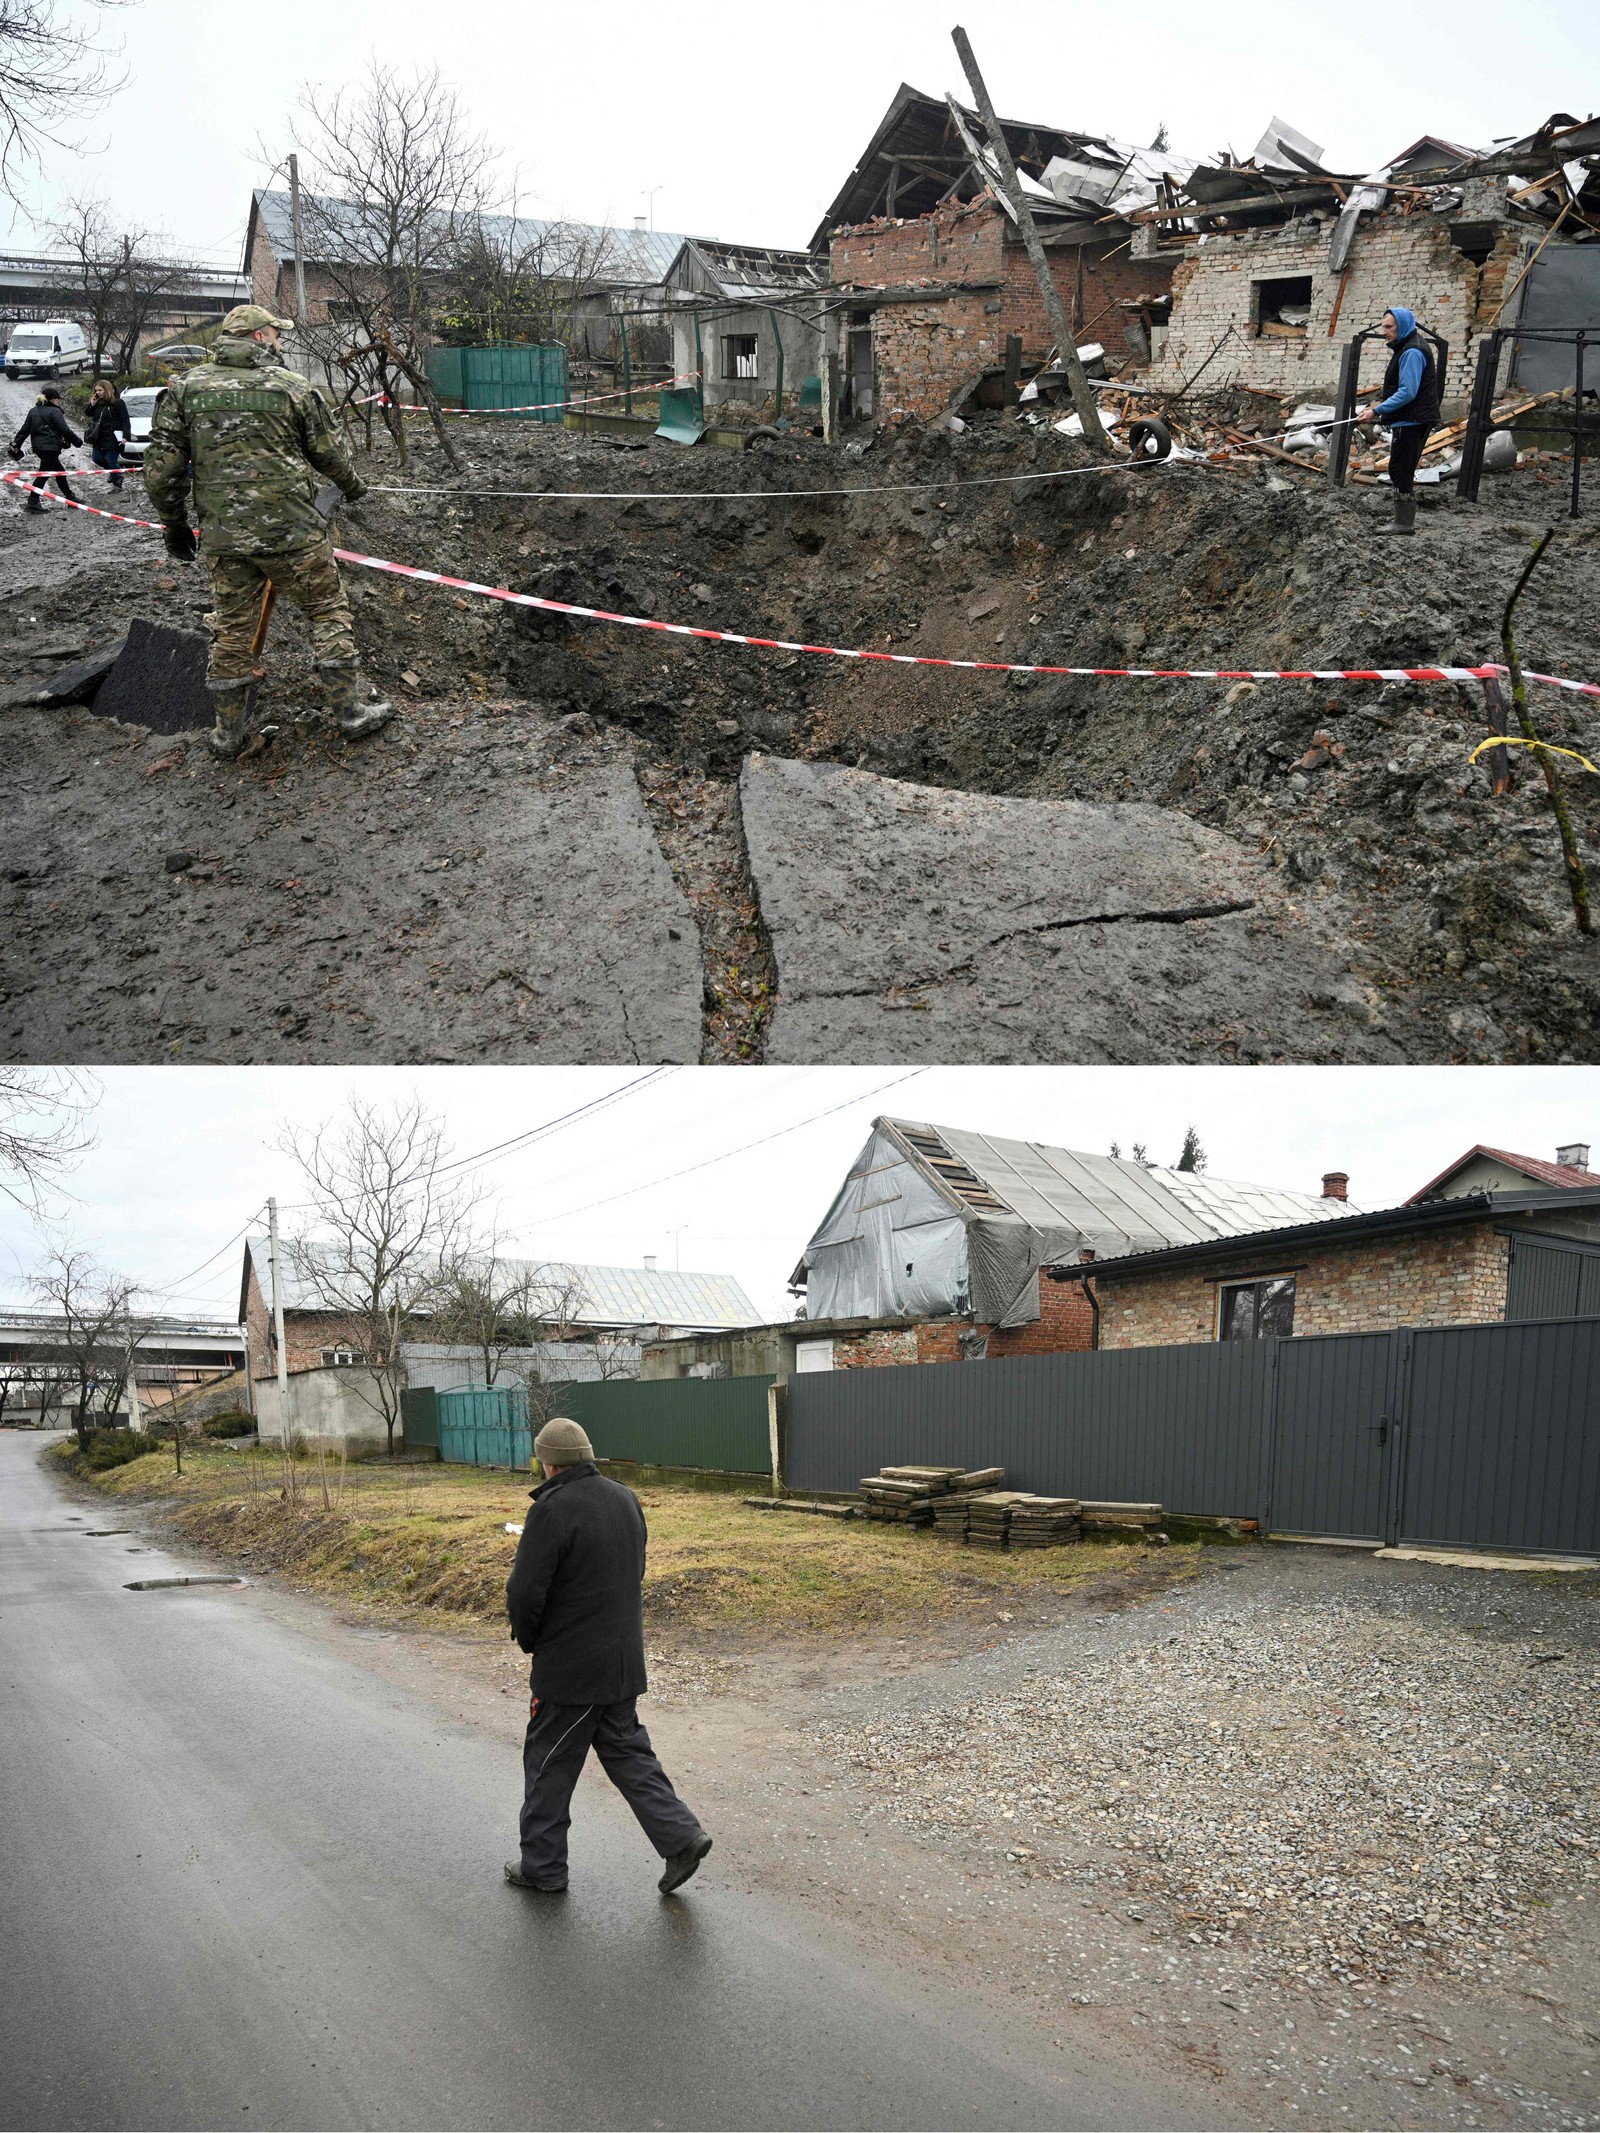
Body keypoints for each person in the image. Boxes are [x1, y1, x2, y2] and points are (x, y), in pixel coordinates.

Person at [142, 301, 391, 761]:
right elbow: (329, 453)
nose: (279, 340)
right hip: (293, 531)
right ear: (260, 336)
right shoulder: (292, 388)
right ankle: (350, 713)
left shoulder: (184, 390)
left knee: (232, 629)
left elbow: (161, 471)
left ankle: (227, 735)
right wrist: (354, 488)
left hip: (225, 536)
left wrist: (174, 526)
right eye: (276, 333)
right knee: (326, 610)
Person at [504, 1417, 712, 1897]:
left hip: (571, 1673)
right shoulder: (625, 1498)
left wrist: (532, 1640)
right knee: (627, 1753)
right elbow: (634, 1570)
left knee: (548, 1765)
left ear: (546, 1462)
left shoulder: (551, 1510)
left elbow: (524, 1593)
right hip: (621, 1662)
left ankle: (543, 1867)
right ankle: (682, 1838)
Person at [1358, 305, 1441, 538]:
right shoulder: (1408, 346)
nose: (1384, 331)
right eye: (1383, 326)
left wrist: (1377, 411)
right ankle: (1401, 520)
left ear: (1402, 326)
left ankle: (1404, 524)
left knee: (1400, 470)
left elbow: (1407, 392)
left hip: (1412, 419)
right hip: (1410, 418)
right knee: (1399, 468)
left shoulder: (1412, 351)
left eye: (1389, 327)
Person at [9, 385, 81, 512]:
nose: (59, 402)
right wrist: (77, 442)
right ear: (53, 400)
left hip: (38, 448)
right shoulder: (55, 411)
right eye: (58, 399)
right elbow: (64, 429)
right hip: (51, 447)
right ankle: (33, 502)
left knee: (59, 471)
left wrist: (16, 444)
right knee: (43, 474)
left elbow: (24, 430)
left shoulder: (33, 410)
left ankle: (70, 498)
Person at [84, 378, 132, 491]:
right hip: (99, 437)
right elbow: (88, 413)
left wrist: (126, 436)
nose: (97, 392)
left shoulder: (118, 403)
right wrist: (92, 404)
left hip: (113, 437)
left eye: (100, 390)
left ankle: (117, 484)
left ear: (107, 390)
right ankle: (115, 473)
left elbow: (125, 420)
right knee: (97, 458)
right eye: (96, 390)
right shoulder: (97, 403)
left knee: (111, 460)